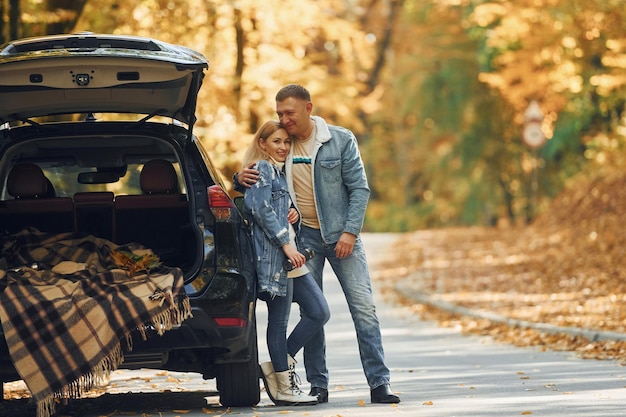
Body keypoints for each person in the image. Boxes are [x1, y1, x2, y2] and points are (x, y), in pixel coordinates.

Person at [235, 85, 400, 404]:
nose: (283, 119)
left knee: (363, 308)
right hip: (303, 238)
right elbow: (259, 178)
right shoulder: (282, 143)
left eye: (289, 113)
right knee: (312, 310)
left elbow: (360, 189)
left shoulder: (339, 139)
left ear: (308, 108)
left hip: (341, 235)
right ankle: (318, 384)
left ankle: (379, 382)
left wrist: (350, 232)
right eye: (280, 113)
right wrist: (236, 178)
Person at [241, 120, 330, 406]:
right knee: (278, 323)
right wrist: (286, 243)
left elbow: (276, 207)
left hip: (290, 257)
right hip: (277, 257)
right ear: (262, 143)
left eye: (286, 142)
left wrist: (293, 213)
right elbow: (259, 208)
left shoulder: (280, 170)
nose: (283, 147)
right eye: (276, 141)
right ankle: (283, 386)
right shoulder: (262, 167)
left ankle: (275, 368)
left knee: (318, 311)